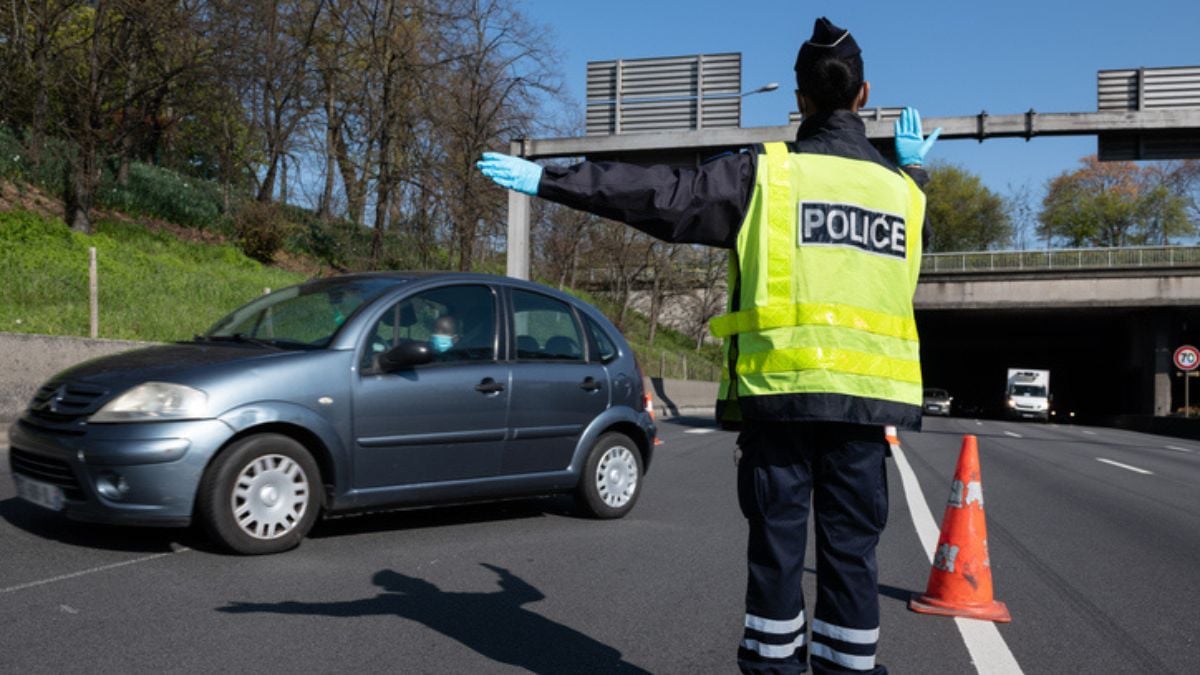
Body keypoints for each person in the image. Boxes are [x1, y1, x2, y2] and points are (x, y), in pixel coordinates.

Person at [477, 17, 938, 675]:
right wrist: (916, 167)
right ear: (864, 96)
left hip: (779, 403)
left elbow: (657, 194)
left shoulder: (764, 178)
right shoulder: (903, 195)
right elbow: (908, 225)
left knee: (779, 554)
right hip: (866, 413)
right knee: (852, 557)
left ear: (801, 100)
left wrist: (551, 180)